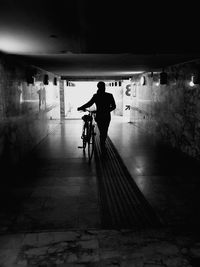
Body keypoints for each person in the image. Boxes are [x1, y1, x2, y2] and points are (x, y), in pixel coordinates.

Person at [77, 81, 116, 149]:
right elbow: (114, 106)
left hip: (99, 115)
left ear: (98, 87)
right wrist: (107, 110)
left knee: (101, 130)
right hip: (106, 116)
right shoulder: (109, 95)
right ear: (104, 87)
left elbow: (89, 103)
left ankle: (102, 144)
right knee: (104, 130)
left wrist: (81, 107)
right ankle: (102, 144)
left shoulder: (96, 96)